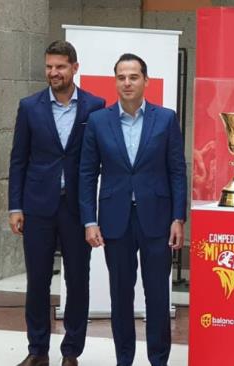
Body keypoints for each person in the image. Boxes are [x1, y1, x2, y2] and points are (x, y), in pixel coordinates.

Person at [78, 53, 187, 366]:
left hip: (158, 221)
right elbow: (87, 173)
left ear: (145, 81)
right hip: (115, 221)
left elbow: (177, 171)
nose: (127, 82)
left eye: (133, 77)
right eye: (121, 77)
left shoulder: (165, 119)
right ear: (116, 81)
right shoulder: (99, 121)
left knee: (157, 297)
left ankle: (158, 360)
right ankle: (123, 359)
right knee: (120, 296)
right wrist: (89, 220)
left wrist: (178, 217)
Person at [8, 40, 106, 366]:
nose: (54, 73)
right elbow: (18, 160)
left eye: (60, 67)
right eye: (49, 66)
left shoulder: (95, 106)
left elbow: (101, 159)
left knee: (78, 280)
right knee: (37, 280)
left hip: (77, 209)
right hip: (37, 207)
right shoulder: (30, 107)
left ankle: (71, 353)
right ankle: (37, 351)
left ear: (75, 68)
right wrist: (15, 206)